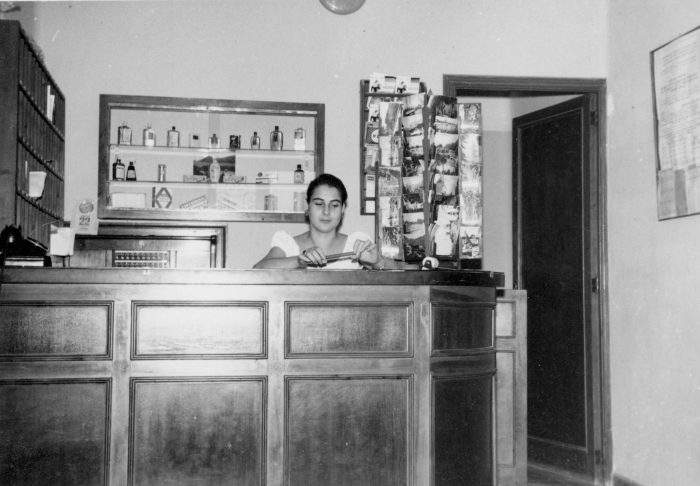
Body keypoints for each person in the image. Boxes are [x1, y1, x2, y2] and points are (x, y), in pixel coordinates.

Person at [253, 173, 395, 270]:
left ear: (343, 208)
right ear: (307, 206)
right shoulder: (288, 245)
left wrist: (377, 262)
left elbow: (402, 275)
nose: (326, 212)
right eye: (319, 204)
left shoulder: (356, 244)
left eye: (334, 205)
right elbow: (257, 271)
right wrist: (298, 261)